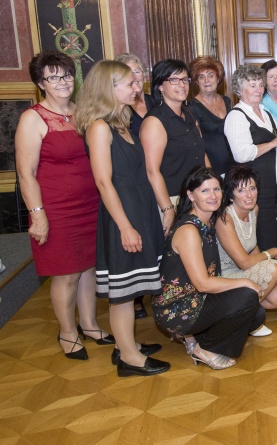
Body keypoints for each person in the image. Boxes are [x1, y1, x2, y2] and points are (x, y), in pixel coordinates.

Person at [75, 60, 167, 377]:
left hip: (139, 208)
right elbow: (104, 182)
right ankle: (130, 359)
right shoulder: (99, 127)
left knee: (134, 285)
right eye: (128, 83)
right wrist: (125, 226)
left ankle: (124, 345)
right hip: (122, 214)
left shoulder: (123, 121)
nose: (135, 87)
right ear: (108, 88)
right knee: (123, 293)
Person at [16, 51, 107, 360]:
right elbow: (25, 173)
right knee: (66, 273)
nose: (63, 81)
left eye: (67, 75)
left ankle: (90, 324)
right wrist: (37, 215)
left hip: (90, 203)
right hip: (56, 208)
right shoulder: (34, 118)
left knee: (88, 269)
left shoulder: (82, 113)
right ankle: (67, 331)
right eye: (54, 77)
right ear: (41, 83)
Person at [152, 167, 265, 370]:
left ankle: (197, 338)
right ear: (190, 195)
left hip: (197, 299)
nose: (213, 196)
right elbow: (203, 283)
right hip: (177, 309)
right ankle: (205, 349)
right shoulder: (189, 230)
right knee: (248, 296)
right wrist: (246, 282)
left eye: (216, 189)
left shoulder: (209, 221)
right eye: (204, 191)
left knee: (257, 314)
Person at [224, 64, 277, 279]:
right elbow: (241, 154)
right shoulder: (236, 116)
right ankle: (262, 281)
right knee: (261, 234)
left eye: (260, 85)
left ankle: (276, 278)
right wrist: (273, 143)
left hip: (272, 184)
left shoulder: (266, 112)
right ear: (239, 89)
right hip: (252, 188)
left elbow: (275, 143)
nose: (258, 89)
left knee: (274, 231)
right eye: (252, 85)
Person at [216, 165, 277, 334]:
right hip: (225, 275)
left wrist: (264, 271)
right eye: (241, 190)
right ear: (230, 195)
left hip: (243, 270)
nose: (249, 195)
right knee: (273, 267)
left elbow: (252, 246)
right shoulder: (225, 218)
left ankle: (246, 315)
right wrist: (272, 253)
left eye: (252, 188)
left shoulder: (253, 210)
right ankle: (245, 319)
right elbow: (244, 263)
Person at [140, 59, 210, 235]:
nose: (182, 85)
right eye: (174, 80)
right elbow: (152, 171)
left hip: (197, 196)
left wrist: (213, 187)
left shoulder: (189, 114)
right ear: (160, 86)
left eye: (185, 80)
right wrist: (167, 209)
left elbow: (202, 155)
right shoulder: (155, 121)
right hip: (172, 198)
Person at [115, 53, 153, 319]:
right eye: (130, 77)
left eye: (138, 73)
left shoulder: (155, 103)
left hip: (153, 179)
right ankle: (137, 298)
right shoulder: (117, 115)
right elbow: (105, 179)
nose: (136, 81)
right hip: (131, 186)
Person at [188, 56, 235, 175]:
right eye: (201, 77)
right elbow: (198, 146)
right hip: (212, 170)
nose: (206, 80)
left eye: (210, 75)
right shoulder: (191, 107)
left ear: (218, 78)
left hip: (234, 167)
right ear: (196, 81)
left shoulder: (227, 100)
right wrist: (209, 173)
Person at [115, 53, 154, 137]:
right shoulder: (119, 108)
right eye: (128, 72)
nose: (133, 77)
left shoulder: (157, 102)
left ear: (145, 77)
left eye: (136, 72)